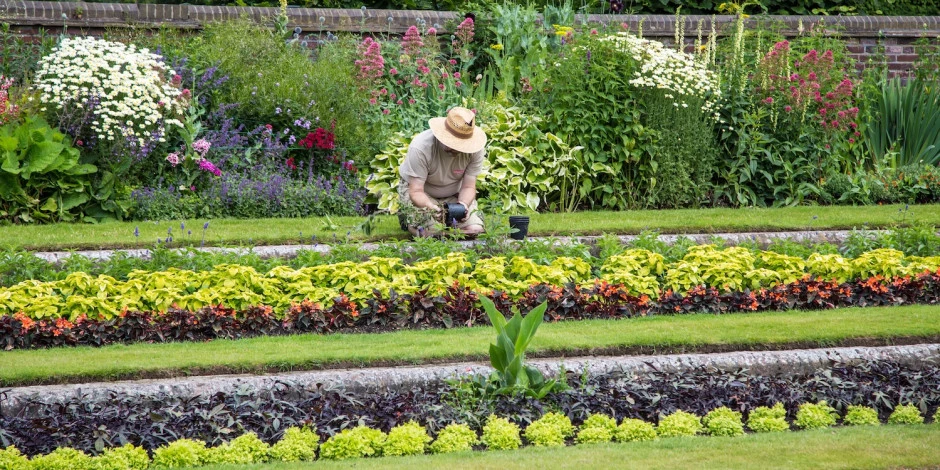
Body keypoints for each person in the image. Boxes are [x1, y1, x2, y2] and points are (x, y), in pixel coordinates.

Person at [398, 107, 486, 237]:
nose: (455, 148)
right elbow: (416, 191)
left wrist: (463, 205)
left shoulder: (475, 150)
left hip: (453, 194)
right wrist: (430, 207)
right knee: (431, 233)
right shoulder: (421, 147)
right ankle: (408, 220)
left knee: (475, 230)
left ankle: (446, 225)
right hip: (422, 195)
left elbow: (468, 186)